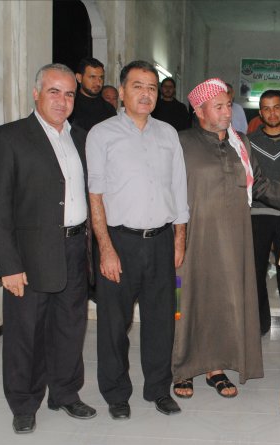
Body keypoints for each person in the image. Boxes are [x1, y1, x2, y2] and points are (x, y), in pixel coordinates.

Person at [0, 63, 96, 434]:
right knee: (25, 333)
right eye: (53, 92)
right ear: (36, 94)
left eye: (69, 94)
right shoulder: (9, 138)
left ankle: (65, 392)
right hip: (29, 257)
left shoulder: (81, 138)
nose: (62, 101)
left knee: (70, 327)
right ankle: (24, 403)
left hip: (75, 248)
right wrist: (8, 265)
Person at [86, 60, 189, 419]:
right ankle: (116, 393)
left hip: (161, 241)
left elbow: (179, 188)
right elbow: (95, 195)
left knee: (162, 320)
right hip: (120, 241)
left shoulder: (169, 134)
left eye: (151, 88)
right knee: (114, 323)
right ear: (122, 91)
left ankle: (158, 389)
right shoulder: (102, 134)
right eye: (137, 86)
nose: (146, 94)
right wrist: (105, 248)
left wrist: (179, 239)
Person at [171, 78, 280, 399]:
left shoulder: (241, 143)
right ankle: (183, 369)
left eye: (228, 105)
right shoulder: (181, 142)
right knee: (187, 300)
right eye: (218, 106)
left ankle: (216, 368)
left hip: (234, 241)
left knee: (222, 301)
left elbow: (260, 185)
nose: (226, 112)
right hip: (193, 239)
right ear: (199, 110)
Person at [248, 89, 280, 335]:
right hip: (256, 214)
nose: (272, 113)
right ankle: (260, 324)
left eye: (276, 107)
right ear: (260, 113)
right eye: (266, 109)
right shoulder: (248, 142)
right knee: (255, 271)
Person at [69, 57, 117, 131]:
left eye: (101, 77)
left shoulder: (109, 109)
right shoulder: (69, 106)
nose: (98, 82)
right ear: (79, 78)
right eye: (92, 77)